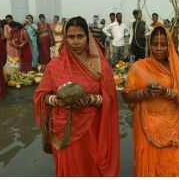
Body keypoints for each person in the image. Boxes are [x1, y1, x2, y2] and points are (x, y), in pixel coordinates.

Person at [33, 16, 120, 176]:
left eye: (80, 36)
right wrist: (56, 100)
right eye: (71, 37)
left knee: (91, 169)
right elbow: (41, 95)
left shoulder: (100, 66)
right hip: (64, 132)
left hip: (92, 130)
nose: (76, 41)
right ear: (65, 39)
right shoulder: (54, 66)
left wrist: (90, 100)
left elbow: (110, 98)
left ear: (88, 37)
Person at [121, 26, 179, 176]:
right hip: (145, 129)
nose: (159, 48)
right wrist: (144, 93)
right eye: (155, 44)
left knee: (171, 168)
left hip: (173, 132)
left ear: (170, 45)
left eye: (163, 44)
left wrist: (166, 92)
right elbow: (126, 95)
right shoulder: (139, 68)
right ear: (149, 45)